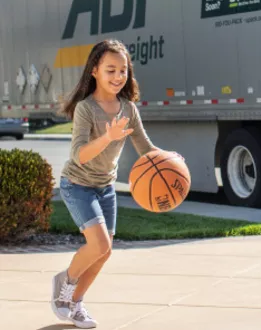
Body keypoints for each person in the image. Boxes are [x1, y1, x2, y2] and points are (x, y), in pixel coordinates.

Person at [50, 39, 177, 328]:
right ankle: (65, 283)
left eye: (123, 71)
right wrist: (108, 136)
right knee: (99, 244)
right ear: (94, 70)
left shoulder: (128, 108)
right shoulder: (86, 109)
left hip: (105, 187)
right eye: (111, 70)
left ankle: (76, 304)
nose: (118, 77)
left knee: (104, 252)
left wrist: (169, 159)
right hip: (77, 184)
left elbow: (145, 146)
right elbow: (79, 155)